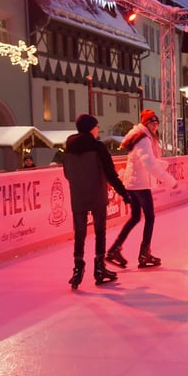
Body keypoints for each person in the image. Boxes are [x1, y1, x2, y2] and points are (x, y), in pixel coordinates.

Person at [62, 113, 130, 289]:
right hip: (97, 194)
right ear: (91, 128)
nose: (98, 129)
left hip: (77, 195)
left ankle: (78, 268)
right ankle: (99, 268)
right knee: (100, 231)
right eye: (96, 126)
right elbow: (110, 174)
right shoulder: (98, 147)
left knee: (80, 233)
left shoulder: (69, 148)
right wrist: (124, 193)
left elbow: (67, 173)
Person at [108, 109, 178, 269]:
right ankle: (144, 253)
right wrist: (170, 180)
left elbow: (143, 161)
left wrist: (161, 164)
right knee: (149, 217)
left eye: (156, 123)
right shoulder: (143, 138)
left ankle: (114, 249)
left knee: (135, 217)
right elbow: (149, 163)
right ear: (145, 124)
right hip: (139, 185)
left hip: (133, 183)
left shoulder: (141, 136)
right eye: (151, 123)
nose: (155, 126)